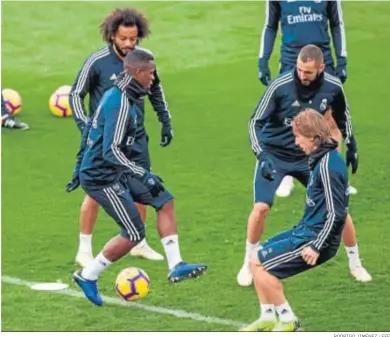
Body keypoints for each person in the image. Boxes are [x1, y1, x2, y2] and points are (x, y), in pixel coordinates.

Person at [71, 48, 206, 306]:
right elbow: (109, 151)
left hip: (118, 169)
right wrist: (142, 173)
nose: (154, 78)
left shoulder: (129, 95)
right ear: (139, 73)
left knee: (164, 199)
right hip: (102, 177)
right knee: (133, 232)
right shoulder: (119, 102)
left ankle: (176, 264)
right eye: (152, 73)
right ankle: (88, 275)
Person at [237, 45, 371, 287]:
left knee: (340, 209)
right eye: (299, 69)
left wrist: (351, 145)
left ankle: (356, 263)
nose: (302, 75)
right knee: (260, 208)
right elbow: (255, 122)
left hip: (310, 157)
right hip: (275, 155)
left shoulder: (332, 86)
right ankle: (248, 262)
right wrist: (262, 155)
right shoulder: (280, 85)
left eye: (308, 72)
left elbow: (343, 117)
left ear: (321, 68)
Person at [68, 8, 173, 266]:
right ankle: (84, 247)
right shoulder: (97, 62)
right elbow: (75, 94)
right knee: (95, 190)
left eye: (133, 39)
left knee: (142, 182)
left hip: (135, 137)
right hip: (104, 139)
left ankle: (139, 243)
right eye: (124, 38)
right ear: (112, 35)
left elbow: (156, 90)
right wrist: (84, 124)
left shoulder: (142, 60)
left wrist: (165, 120)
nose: (129, 44)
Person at [240, 109, 349, 332]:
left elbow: (338, 212)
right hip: (306, 230)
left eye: (298, 136)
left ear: (313, 137)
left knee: (261, 266)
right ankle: (268, 316)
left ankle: (289, 320)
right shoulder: (320, 159)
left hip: (315, 239)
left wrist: (316, 245)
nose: (296, 141)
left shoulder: (329, 165)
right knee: (254, 259)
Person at [257, 0, 357, 197]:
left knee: (331, 121)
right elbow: (270, 25)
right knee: (289, 119)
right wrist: (263, 60)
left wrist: (342, 59)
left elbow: (337, 24)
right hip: (291, 62)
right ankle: (286, 175)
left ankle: (335, 177)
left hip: (323, 61)